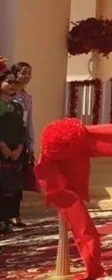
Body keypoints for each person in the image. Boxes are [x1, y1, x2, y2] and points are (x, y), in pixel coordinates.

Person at [0, 71, 26, 235]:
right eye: (8, 82)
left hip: (16, 150)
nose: (12, 85)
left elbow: (22, 128)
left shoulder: (17, 106)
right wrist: (3, 146)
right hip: (1, 150)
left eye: (14, 82)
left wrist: (20, 147)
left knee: (14, 185)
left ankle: (11, 217)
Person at [10, 62, 34, 227]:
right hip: (9, 141)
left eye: (29, 73)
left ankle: (16, 215)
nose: (26, 76)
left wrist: (30, 143)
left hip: (22, 142)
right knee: (7, 180)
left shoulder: (28, 97)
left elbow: (29, 121)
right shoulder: (10, 97)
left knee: (19, 180)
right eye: (23, 72)